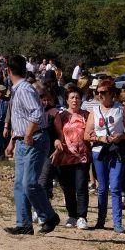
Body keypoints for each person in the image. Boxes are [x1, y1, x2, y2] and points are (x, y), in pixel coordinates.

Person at [4, 55, 60, 235]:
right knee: (20, 184)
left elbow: (36, 113)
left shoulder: (23, 89)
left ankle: (49, 216)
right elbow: (21, 118)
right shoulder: (19, 89)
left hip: (33, 139)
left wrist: (27, 134)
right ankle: (24, 224)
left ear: (9, 71)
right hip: (23, 139)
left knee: (29, 183)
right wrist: (14, 140)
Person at [84, 79, 125, 234]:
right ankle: (100, 220)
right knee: (102, 187)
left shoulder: (121, 109)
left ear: (111, 93)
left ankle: (118, 223)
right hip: (100, 151)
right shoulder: (94, 111)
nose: (99, 95)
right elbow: (86, 134)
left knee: (116, 186)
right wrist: (99, 138)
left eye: (103, 92)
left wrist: (120, 136)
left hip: (116, 150)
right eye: (98, 92)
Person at [52, 88, 91, 229]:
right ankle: (72, 215)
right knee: (68, 188)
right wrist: (56, 141)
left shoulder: (87, 115)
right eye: (72, 97)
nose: (75, 100)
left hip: (82, 157)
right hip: (64, 158)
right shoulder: (61, 116)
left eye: (77, 97)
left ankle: (82, 216)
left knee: (81, 187)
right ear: (67, 100)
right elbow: (54, 133)